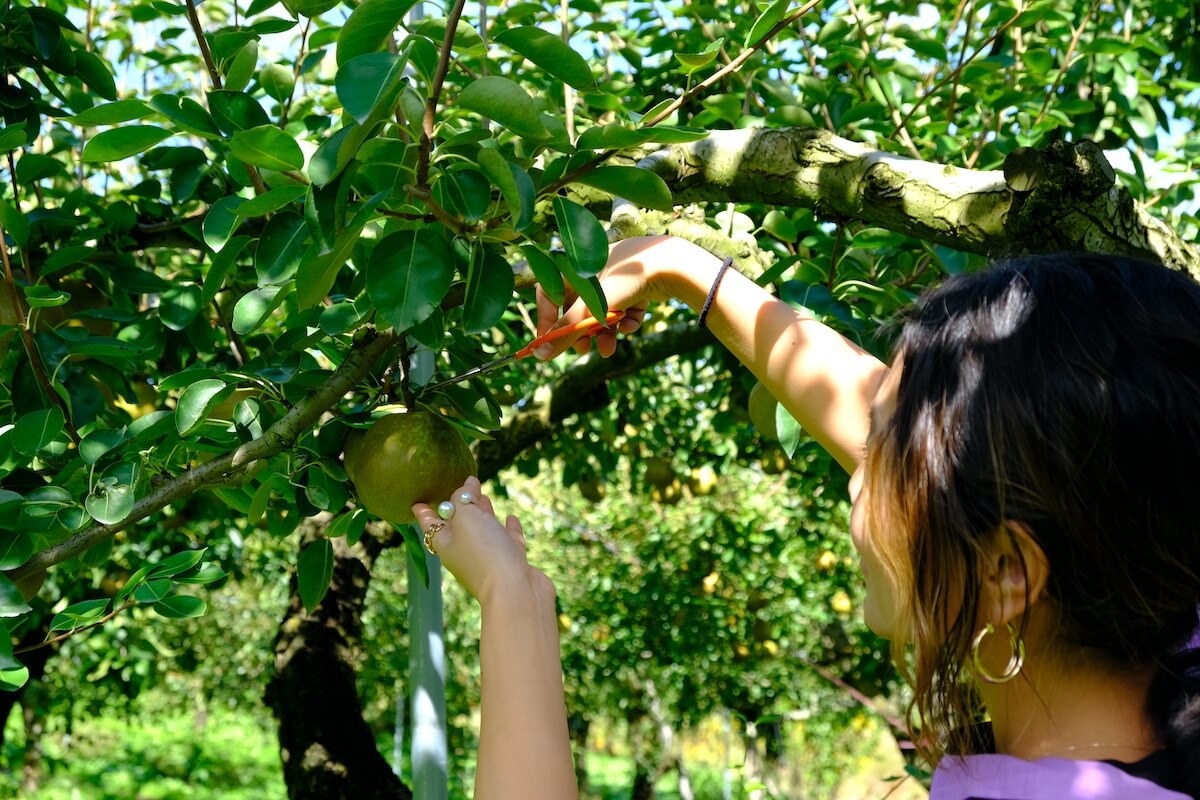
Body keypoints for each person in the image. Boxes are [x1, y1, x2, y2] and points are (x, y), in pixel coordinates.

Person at [413, 235, 1200, 799]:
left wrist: (513, 603)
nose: (857, 470)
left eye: (883, 452)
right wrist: (681, 268)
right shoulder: (1161, 588)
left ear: (1003, 573)